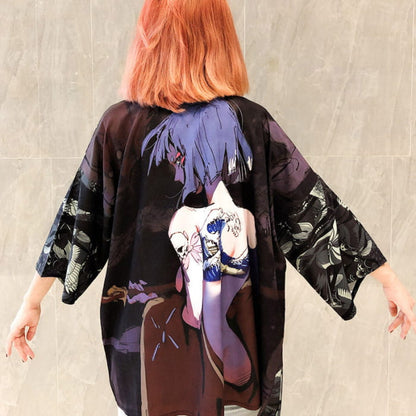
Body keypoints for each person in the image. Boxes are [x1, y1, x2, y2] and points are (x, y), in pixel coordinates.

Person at [5, 1, 416, 415]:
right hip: (236, 380)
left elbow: (80, 219)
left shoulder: (120, 126)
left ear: (149, 40)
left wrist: (32, 301)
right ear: (220, 40)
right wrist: (387, 278)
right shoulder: (250, 123)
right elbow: (311, 209)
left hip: (148, 384)